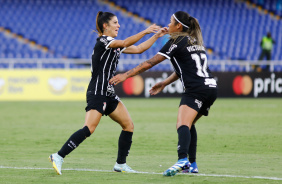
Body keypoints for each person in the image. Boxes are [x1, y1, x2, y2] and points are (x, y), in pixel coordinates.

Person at [49, 11, 167, 175]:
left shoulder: (115, 45)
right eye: (115, 23)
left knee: (128, 126)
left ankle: (120, 164)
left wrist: (157, 36)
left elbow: (139, 49)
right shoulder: (103, 41)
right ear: (106, 25)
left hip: (109, 92)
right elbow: (126, 41)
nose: (119, 25)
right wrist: (146, 31)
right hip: (97, 91)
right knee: (89, 128)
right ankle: (58, 156)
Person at [110, 11, 217, 176]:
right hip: (210, 88)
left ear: (178, 26)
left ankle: (182, 160)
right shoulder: (194, 40)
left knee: (182, 124)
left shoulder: (176, 40)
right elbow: (186, 69)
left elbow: (150, 63)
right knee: (189, 124)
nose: (168, 25)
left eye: (170, 22)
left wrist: (125, 75)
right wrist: (164, 83)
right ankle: (192, 164)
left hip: (196, 89)